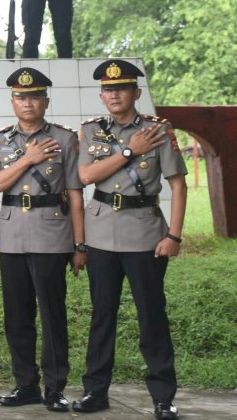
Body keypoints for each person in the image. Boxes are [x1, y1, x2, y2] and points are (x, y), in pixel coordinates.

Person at [73, 59, 187, 420]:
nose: (114, 95)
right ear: (101, 96)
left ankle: (163, 397)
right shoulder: (91, 131)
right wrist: (129, 151)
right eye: (108, 90)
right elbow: (86, 176)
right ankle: (95, 392)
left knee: (152, 316)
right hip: (101, 235)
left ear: (136, 93)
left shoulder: (158, 130)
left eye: (121, 88)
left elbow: (178, 185)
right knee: (102, 316)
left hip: (145, 236)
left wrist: (174, 235)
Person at [0, 67, 85, 412]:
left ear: (46, 101)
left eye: (35, 97)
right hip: (12, 236)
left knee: (52, 316)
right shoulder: (0, 141)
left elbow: (75, 195)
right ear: (12, 102)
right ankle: (25, 384)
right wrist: (28, 159)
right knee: (17, 316)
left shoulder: (64, 139)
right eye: (21, 97)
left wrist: (79, 245)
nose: (28, 103)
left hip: (52, 235)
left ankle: (54, 387)